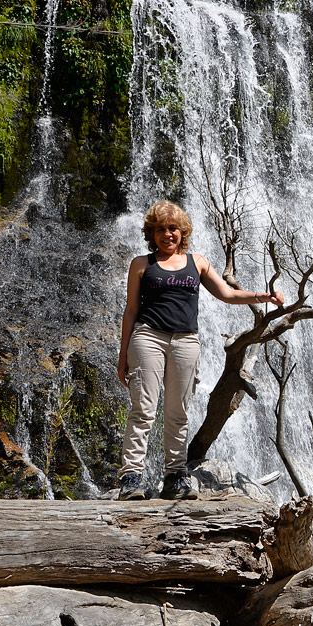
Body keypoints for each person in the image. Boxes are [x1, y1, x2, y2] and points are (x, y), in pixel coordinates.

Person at [116, 200, 284, 500]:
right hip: (148, 338)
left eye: (173, 228)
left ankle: (175, 477)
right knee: (143, 411)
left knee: (178, 413)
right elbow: (130, 311)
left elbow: (227, 293)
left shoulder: (198, 262)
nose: (167, 234)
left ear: (183, 232)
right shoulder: (141, 264)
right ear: (151, 233)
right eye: (160, 229)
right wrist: (122, 356)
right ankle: (131, 478)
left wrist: (264, 296)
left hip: (186, 342)